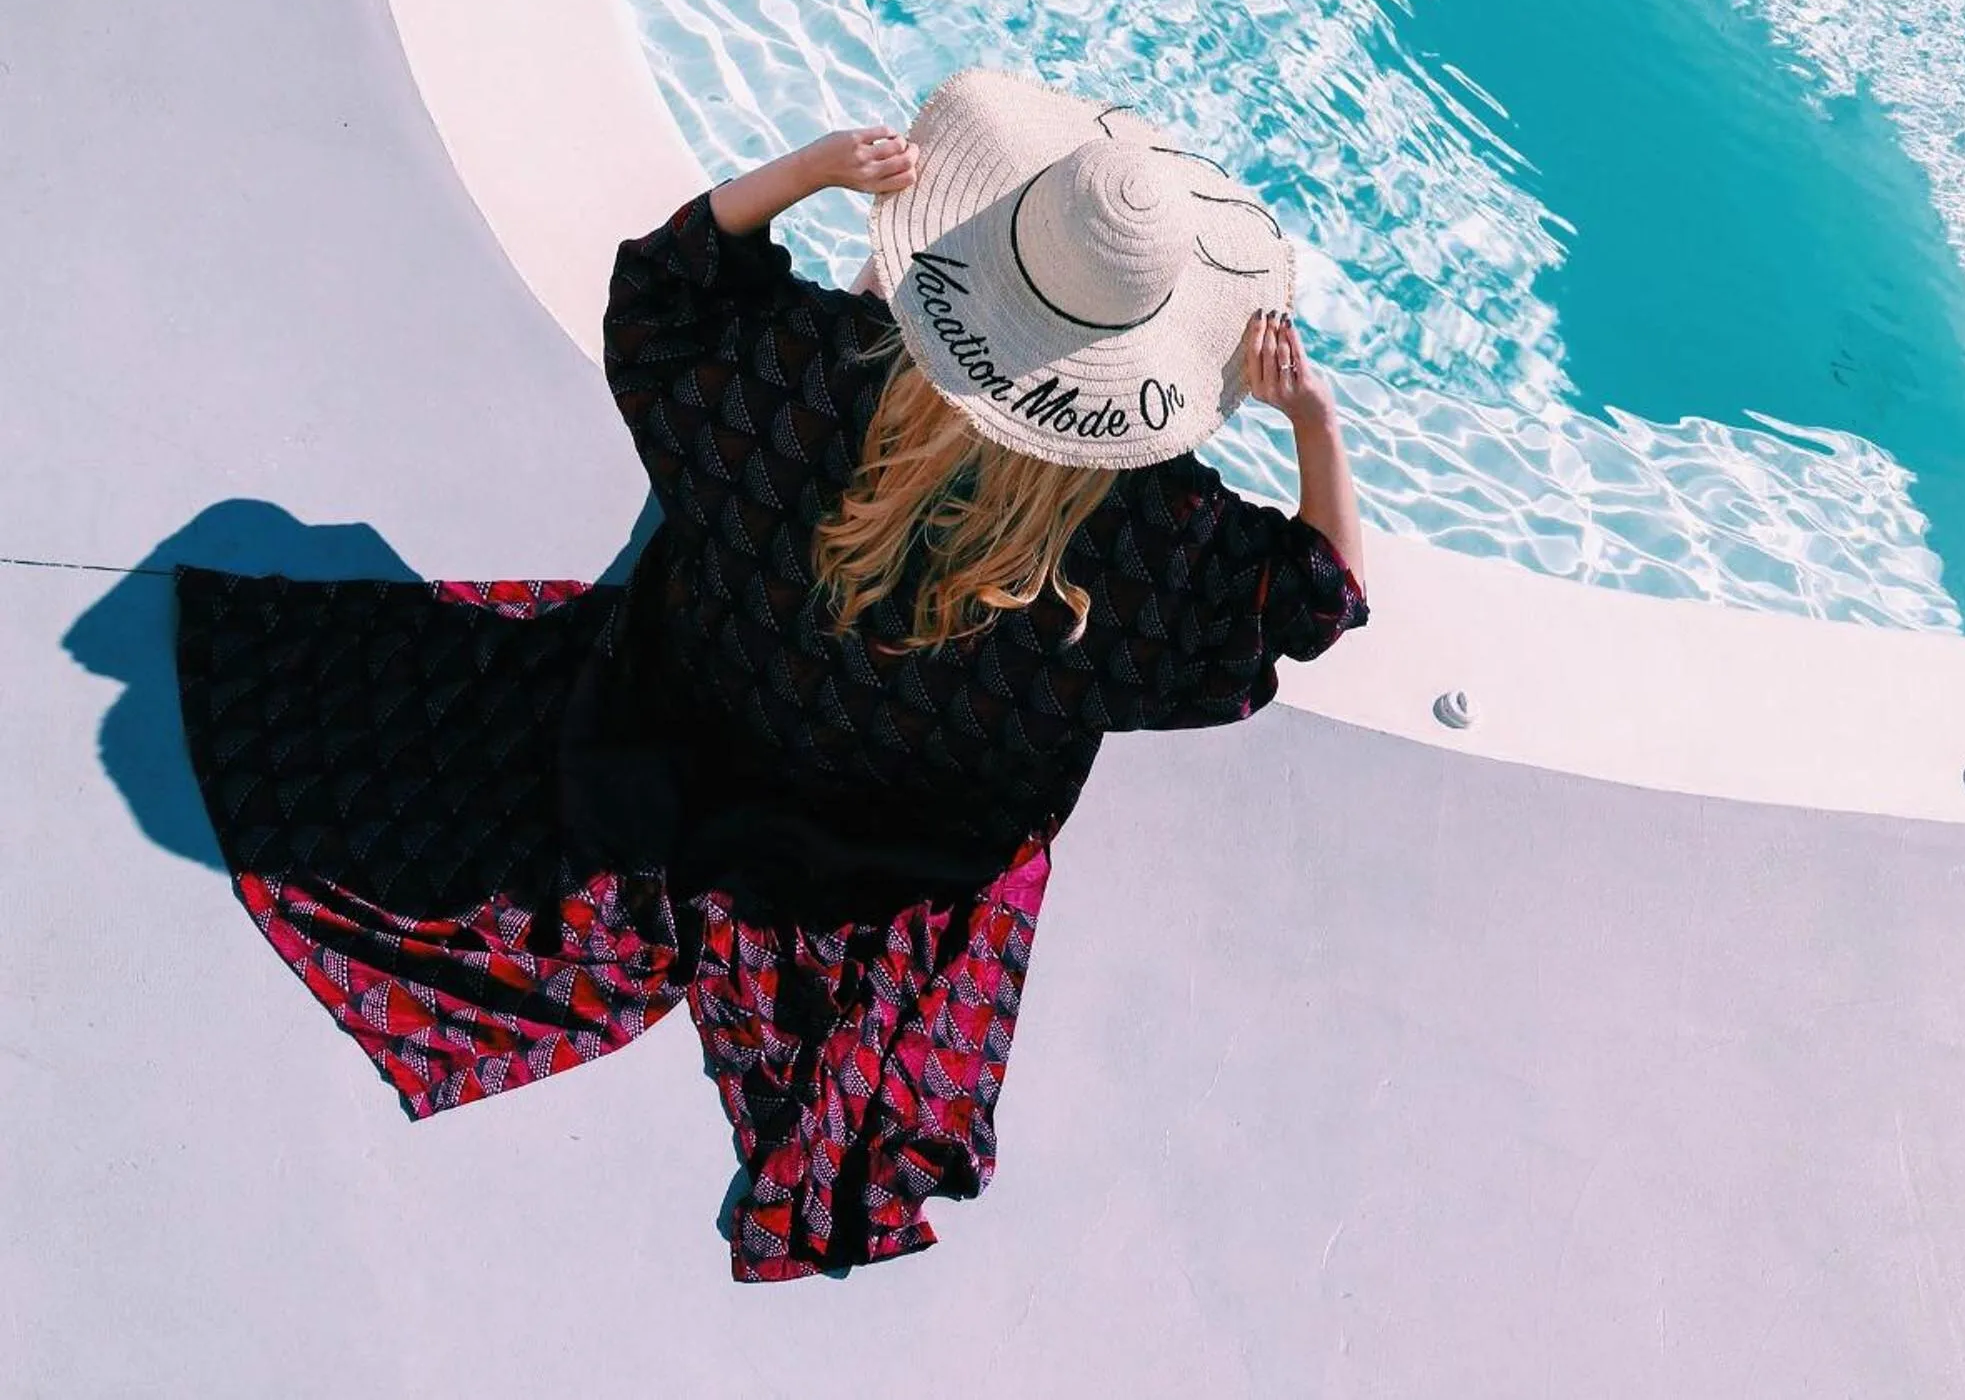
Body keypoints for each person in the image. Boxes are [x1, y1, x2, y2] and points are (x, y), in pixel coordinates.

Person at [175, 68, 1368, 1283]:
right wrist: (1310, 420)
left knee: (792, 451)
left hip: (692, 711)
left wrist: (806, 174)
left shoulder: (800, 373)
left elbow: (658, 295)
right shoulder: (1158, 553)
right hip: (914, 823)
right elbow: (1316, 598)